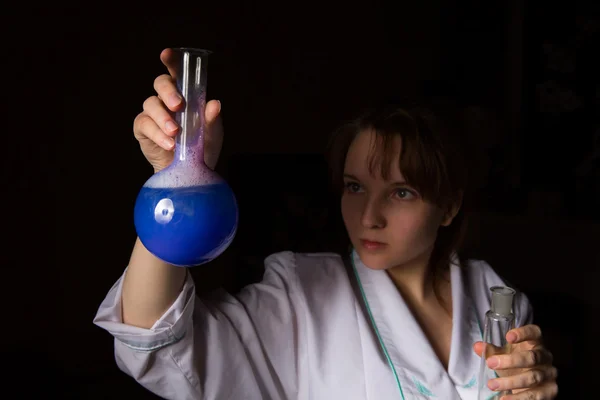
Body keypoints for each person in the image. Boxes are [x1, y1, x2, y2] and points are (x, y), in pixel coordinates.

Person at [94, 48, 559, 400]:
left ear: (450, 207)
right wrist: (173, 178)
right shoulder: (303, 296)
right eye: (355, 187)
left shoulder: (495, 297)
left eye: (401, 193)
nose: (369, 217)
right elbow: (153, 338)